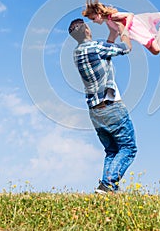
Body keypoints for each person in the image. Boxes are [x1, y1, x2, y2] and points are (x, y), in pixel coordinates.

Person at [68, 17, 137, 194]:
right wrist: (123, 30)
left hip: (95, 112)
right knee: (128, 148)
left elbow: (105, 52)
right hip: (112, 107)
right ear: (87, 30)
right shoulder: (95, 46)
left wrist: (112, 33)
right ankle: (108, 184)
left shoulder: (77, 53)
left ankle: (106, 189)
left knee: (112, 150)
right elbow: (126, 48)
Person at [82, 0, 160, 55]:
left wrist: (126, 28)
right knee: (155, 51)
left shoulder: (113, 16)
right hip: (133, 33)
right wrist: (109, 45)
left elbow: (130, 14)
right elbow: (113, 33)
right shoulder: (108, 22)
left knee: (157, 48)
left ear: (98, 13)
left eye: (93, 18)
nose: (93, 21)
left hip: (137, 28)